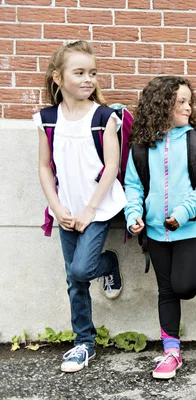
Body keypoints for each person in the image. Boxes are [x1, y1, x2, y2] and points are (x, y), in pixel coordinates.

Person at [35, 40, 126, 373]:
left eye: (93, 73)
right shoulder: (47, 119)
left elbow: (112, 167)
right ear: (58, 78)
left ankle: (108, 264)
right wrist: (57, 207)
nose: (89, 79)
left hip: (96, 209)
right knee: (74, 281)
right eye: (80, 73)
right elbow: (45, 167)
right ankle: (83, 343)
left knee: (80, 270)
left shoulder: (105, 117)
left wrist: (90, 209)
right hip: (66, 210)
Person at [124, 75, 196, 379]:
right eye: (181, 102)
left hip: (190, 226)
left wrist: (184, 210)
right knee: (166, 291)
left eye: (189, 101)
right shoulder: (141, 145)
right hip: (154, 230)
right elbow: (133, 185)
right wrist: (132, 214)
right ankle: (171, 352)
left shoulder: (195, 141)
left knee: (185, 286)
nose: (188, 107)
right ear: (162, 105)